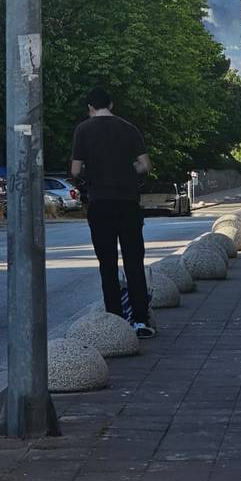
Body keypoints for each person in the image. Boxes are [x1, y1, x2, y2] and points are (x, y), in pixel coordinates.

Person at [71, 86, 155, 338]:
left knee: (107, 263)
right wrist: (127, 171)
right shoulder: (128, 128)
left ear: (90, 107)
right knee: (133, 261)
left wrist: (92, 173)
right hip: (128, 202)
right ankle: (141, 320)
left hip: (100, 203)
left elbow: (75, 170)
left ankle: (115, 320)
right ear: (112, 105)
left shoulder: (83, 130)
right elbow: (145, 165)